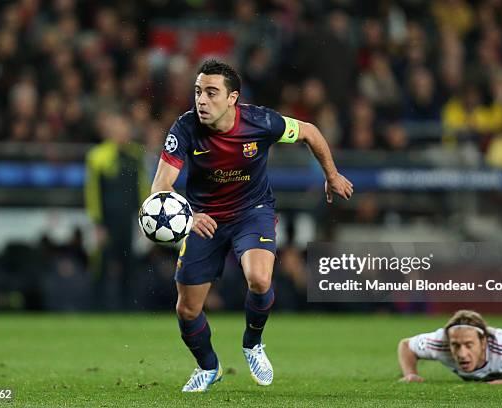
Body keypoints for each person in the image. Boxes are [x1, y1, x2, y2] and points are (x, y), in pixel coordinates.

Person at [151, 60, 353, 392]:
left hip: (251, 211)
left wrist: (331, 175)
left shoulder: (261, 121)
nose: (201, 100)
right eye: (198, 91)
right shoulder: (185, 128)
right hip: (204, 219)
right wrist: (189, 214)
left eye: (211, 93)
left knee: (259, 279)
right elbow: (161, 187)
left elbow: (311, 132)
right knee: (187, 309)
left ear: (232, 98)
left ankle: (252, 343)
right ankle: (208, 367)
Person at [84, 112, 149, 310]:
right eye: (117, 129)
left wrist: (144, 217)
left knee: (130, 264)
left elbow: (142, 187)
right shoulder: (98, 156)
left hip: (130, 219)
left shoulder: (136, 154)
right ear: (109, 132)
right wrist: (97, 223)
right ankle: (97, 307)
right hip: (107, 221)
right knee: (102, 264)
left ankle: (129, 308)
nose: (122, 133)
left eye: (124, 129)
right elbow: (93, 192)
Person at [398, 310, 502, 384]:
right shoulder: (440, 343)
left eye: (469, 345)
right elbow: (406, 345)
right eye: (456, 345)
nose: (462, 354)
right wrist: (410, 374)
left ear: (483, 342)